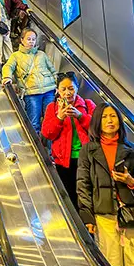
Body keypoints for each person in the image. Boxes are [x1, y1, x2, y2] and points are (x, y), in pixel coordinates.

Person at [77, 103, 134, 266]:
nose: (109, 120)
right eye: (104, 117)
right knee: (111, 264)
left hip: (133, 214)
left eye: (113, 116)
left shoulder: (132, 150)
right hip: (104, 216)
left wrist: (131, 181)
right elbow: (83, 185)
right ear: (97, 122)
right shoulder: (88, 150)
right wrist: (87, 216)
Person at [41, 72, 96, 209]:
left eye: (71, 88)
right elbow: (47, 133)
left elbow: (98, 128)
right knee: (71, 198)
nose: (67, 93)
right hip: (64, 163)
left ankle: (89, 226)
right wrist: (59, 117)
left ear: (77, 88)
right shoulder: (52, 108)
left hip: (87, 160)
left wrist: (80, 116)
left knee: (89, 197)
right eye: (63, 89)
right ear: (57, 90)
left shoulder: (88, 105)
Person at [2, 28, 58, 134]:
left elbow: (52, 70)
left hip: (49, 91)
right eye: (29, 39)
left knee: (51, 122)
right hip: (31, 93)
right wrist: (7, 77)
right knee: (34, 123)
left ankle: (51, 149)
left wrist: (58, 84)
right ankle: (38, 148)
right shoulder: (15, 56)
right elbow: (8, 66)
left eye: (33, 39)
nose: (31, 42)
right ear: (22, 40)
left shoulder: (41, 54)